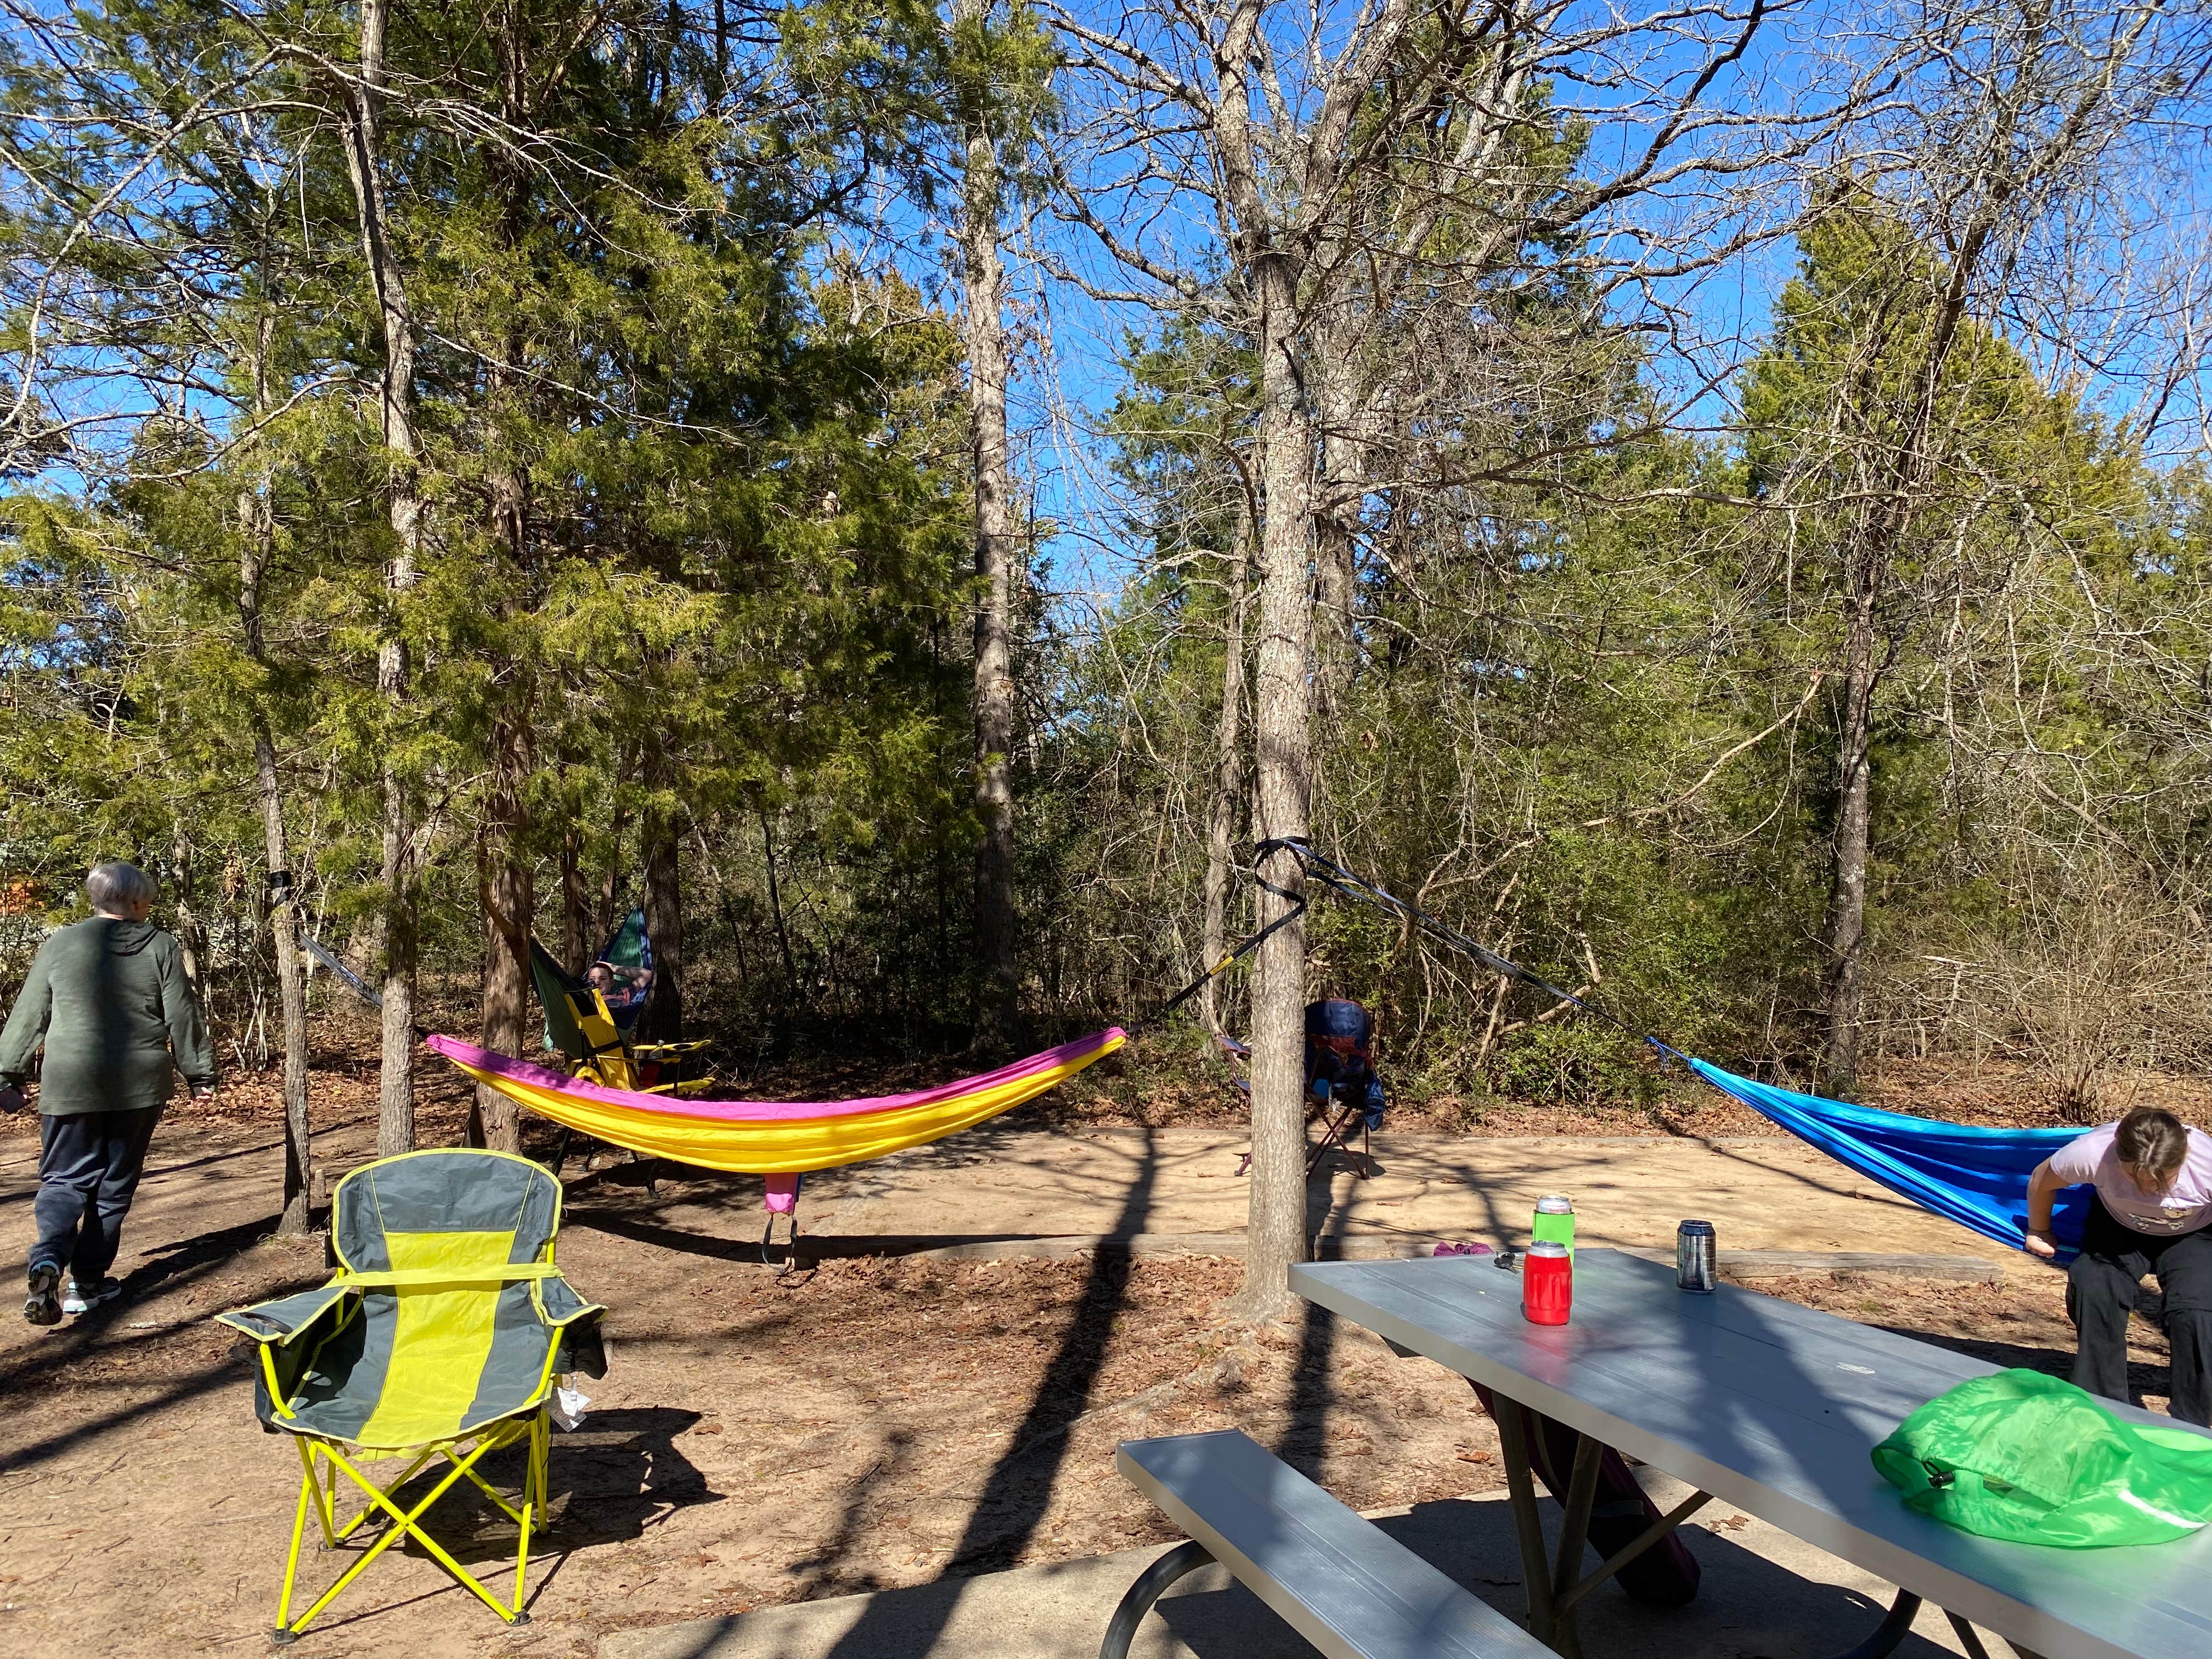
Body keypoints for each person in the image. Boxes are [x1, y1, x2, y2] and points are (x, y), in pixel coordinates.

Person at [0, 861, 216, 1326]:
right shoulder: (160, 945)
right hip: (138, 1085)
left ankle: (48, 1260)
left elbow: (31, 1011)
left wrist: (7, 1072)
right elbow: (182, 1014)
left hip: (71, 1081)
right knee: (113, 1183)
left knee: (65, 1179)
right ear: (136, 903)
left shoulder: (60, 944)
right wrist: (200, 1074)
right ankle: (89, 1283)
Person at [2024, 1105, 2212, 1425]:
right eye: (2134, 1176)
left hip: (2192, 1235)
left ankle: (2192, 1420)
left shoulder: (2207, 1166)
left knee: (2196, 1309)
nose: (2149, 1188)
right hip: (2117, 1227)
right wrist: (2039, 1229)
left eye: (2162, 1179)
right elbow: (2043, 1179)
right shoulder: (2092, 1152)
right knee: (2094, 1285)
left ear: (2184, 1156)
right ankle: (2102, 1405)